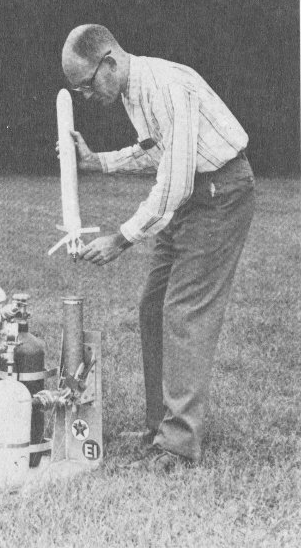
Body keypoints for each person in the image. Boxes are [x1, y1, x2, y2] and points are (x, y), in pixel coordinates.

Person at [60, 24, 255, 472]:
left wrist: (122, 238)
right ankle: (158, 427)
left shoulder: (166, 86)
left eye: (87, 85)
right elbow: (155, 151)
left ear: (109, 62)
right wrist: (98, 161)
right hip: (193, 194)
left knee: (184, 312)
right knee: (153, 306)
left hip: (220, 192)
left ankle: (178, 445)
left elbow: (175, 180)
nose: (87, 96)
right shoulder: (133, 91)